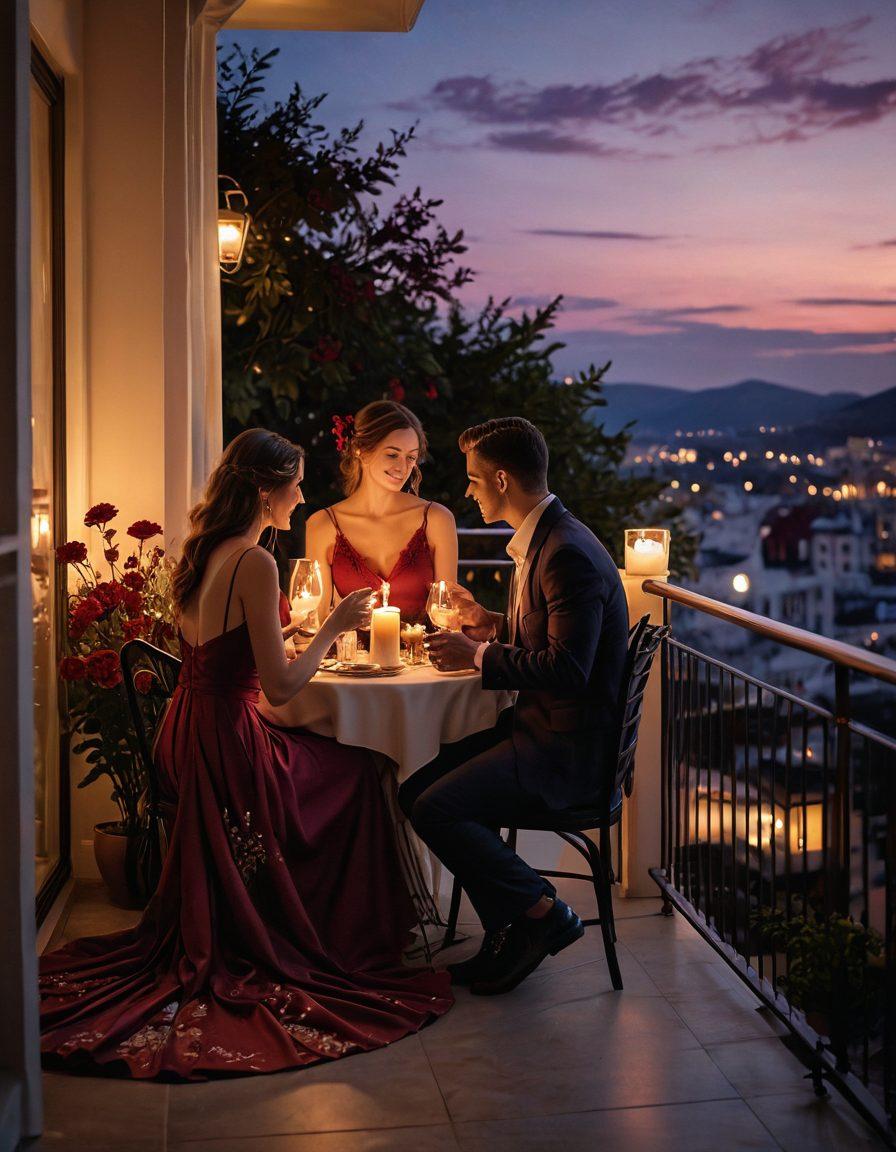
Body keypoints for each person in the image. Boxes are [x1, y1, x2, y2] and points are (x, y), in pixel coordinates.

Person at [40, 429, 452, 1079]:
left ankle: (334, 917)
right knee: (361, 768)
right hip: (228, 742)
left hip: (189, 728)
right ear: (267, 491)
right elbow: (283, 685)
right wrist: (336, 628)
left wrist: (287, 631)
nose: (302, 495)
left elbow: (221, 650)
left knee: (333, 761)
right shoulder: (255, 563)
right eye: (295, 484)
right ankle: (350, 932)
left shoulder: (209, 552)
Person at [398, 417, 629, 996]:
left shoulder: (565, 553)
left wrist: (478, 655)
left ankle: (539, 914)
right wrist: (490, 623)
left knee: (436, 810)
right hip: (542, 731)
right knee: (411, 792)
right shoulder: (548, 538)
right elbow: (552, 639)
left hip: (566, 753)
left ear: (502, 479)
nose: (470, 491)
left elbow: (568, 670)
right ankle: (511, 927)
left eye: (476, 480)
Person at [306, 400, 457, 624]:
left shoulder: (436, 519)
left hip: (423, 657)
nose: (403, 467)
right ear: (360, 449)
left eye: (411, 457)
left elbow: (449, 616)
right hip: (349, 659)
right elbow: (314, 623)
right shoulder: (323, 525)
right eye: (392, 454)